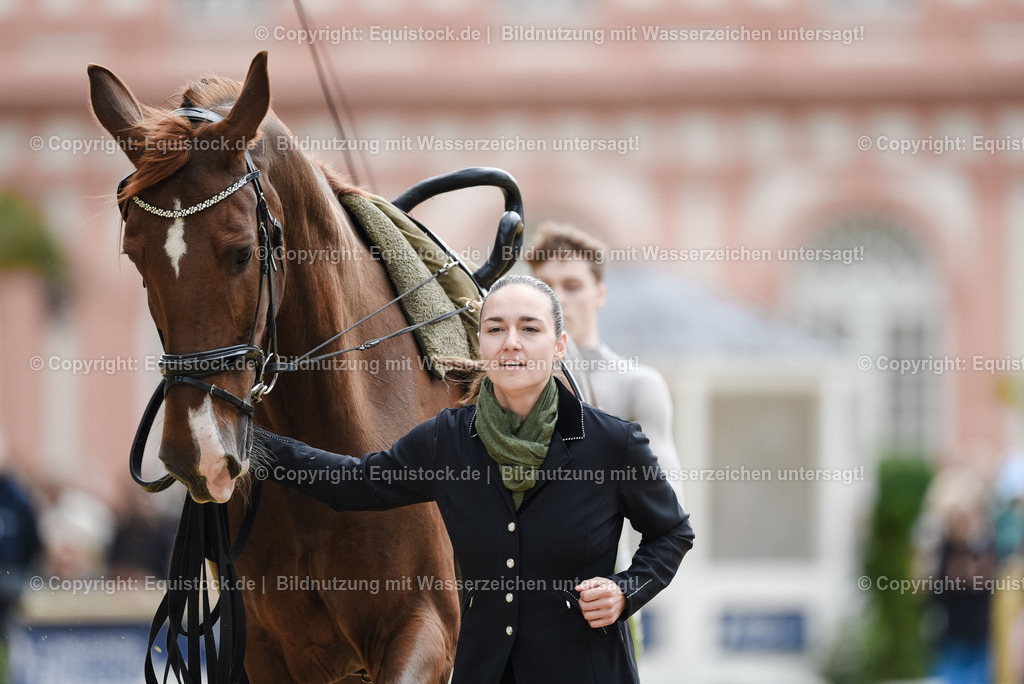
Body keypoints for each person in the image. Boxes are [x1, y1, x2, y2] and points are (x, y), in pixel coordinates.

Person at [257, 274, 694, 684]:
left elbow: (672, 532)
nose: (512, 343)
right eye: (496, 329)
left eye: (530, 329)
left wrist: (625, 590)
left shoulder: (613, 443)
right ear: (481, 342)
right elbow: (353, 483)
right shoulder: (447, 440)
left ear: (559, 345)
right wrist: (254, 443)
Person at [525, 222, 683, 501]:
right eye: (546, 287)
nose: (558, 298)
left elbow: (670, 507)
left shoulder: (638, 385)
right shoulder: (504, 381)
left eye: (572, 286)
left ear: (600, 294)